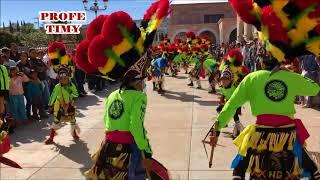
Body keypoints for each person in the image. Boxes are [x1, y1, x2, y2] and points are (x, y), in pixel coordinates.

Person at [210, 54, 320, 179]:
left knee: (239, 169)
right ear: (280, 63)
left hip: (260, 134)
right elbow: (315, 89)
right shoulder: (291, 77)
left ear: (262, 63)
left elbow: (231, 105)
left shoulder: (252, 78)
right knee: (313, 170)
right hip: (288, 134)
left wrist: (217, 129)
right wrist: (293, 75)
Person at [85, 57, 153, 180]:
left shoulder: (112, 95)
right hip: (129, 148)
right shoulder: (139, 97)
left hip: (108, 146)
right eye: (143, 81)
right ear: (138, 82)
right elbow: (136, 126)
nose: (144, 84)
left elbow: (106, 120)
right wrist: (147, 150)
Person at [45, 67, 79, 144]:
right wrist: (50, 105)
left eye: (65, 76)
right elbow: (53, 96)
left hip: (70, 104)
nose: (63, 78)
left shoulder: (71, 85)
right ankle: (51, 137)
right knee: (56, 120)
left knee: (73, 119)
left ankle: (74, 133)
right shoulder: (57, 87)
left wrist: (71, 97)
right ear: (59, 78)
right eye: (61, 77)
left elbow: (76, 94)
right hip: (59, 105)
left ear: (68, 76)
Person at [216, 69, 244, 138]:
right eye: (222, 79)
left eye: (226, 79)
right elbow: (223, 94)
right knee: (219, 109)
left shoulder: (234, 87)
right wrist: (221, 100)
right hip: (228, 102)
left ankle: (240, 131)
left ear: (231, 80)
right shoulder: (222, 87)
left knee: (235, 116)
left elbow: (239, 95)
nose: (224, 81)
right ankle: (225, 123)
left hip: (236, 103)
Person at [29, 48, 50, 113]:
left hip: (44, 79)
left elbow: (46, 67)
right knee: (39, 96)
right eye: (33, 52)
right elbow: (36, 69)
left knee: (46, 95)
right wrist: (41, 68)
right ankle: (41, 110)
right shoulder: (29, 61)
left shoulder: (38, 59)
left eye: (35, 52)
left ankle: (46, 108)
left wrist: (41, 68)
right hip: (37, 81)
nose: (34, 54)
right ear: (29, 53)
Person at [0, 53, 10, 132]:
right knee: (1, 108)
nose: (2, 60)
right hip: (0, 91)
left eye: (3, 58)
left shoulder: (3, 67)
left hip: (5, 90)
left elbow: (6, 79)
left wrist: (7, 90)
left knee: (4, 108)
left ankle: (3, 125)